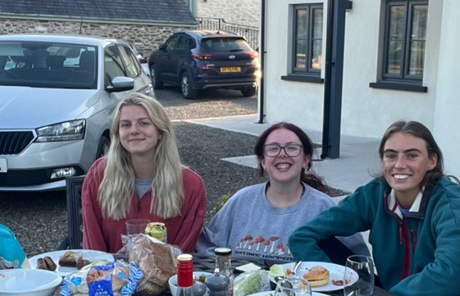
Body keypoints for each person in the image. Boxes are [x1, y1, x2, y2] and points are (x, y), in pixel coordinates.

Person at [289, 120, 460, 296]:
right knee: (324, 241)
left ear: (432, 161)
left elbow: (452, 272)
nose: (399, 164)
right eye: (391, 155)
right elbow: (302, 237)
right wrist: (333, 288)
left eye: (412, 155)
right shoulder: (375, 193)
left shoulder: (448, 201)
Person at [197, 121, 368, 264]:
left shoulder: (325, 208)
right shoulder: (241, 202)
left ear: (306, 160)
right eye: (273, 149)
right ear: (263, 161)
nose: (282, 154)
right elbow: (207, 247)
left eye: (292, 148)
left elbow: (357, 263)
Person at [82, 93, 206, 253]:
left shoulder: (191, 185)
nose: (134, 131)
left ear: (160, 131)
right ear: (117, 134)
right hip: (110, 275)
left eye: (144, 123)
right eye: (125, 125)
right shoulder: (99, 175)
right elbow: (93, 248)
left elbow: (183, 252)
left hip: (168, 276)